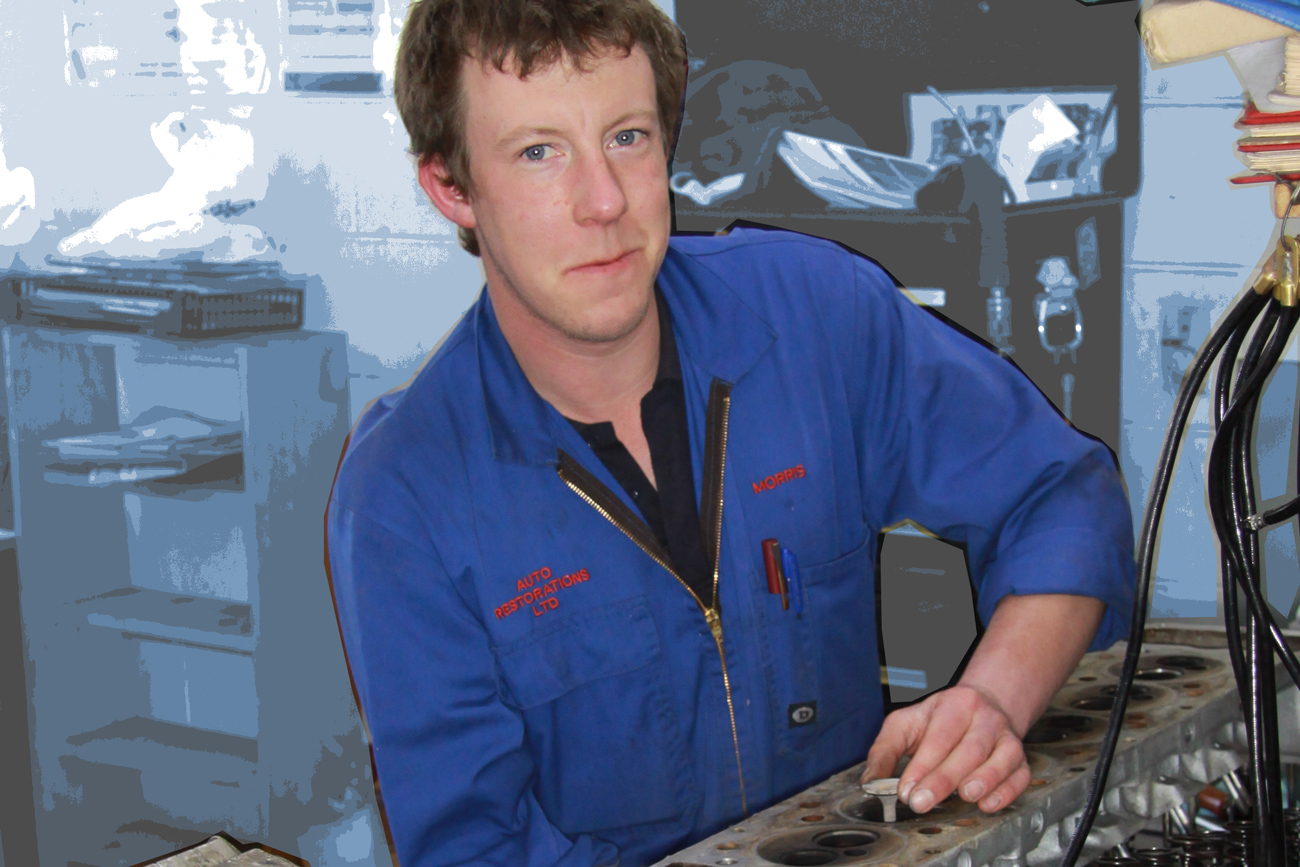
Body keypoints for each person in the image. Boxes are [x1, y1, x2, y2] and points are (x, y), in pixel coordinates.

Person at [324, 1, 1136, 865]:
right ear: (452, 187)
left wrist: (993, 701)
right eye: (538, 152)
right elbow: (474, 849)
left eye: (628, 137)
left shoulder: (814, 317)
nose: (605, 201)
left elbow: (1063, 494)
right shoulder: (403, 497)